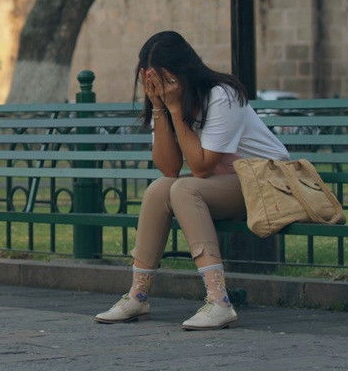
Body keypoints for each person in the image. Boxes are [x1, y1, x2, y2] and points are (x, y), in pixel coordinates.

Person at [94, 30, 289, 330]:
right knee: (161, 189)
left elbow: (199, 168)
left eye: (164, 79)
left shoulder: (222, 95)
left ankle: (219, 301)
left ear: (183, 70)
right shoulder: (171, 104)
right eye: (151, 81)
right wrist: (160, 108)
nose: (159, 87)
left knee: (186, 189)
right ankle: (138, 295)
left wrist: (173, 108)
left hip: (267, 183)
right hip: (227, 184)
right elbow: (169, 168)